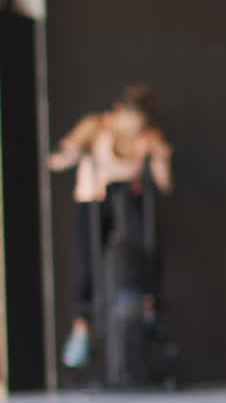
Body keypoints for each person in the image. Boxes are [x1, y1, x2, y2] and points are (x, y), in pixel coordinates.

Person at [48, 82, 173, 367]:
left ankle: (145, 312)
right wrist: (70, 154)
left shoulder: (149, 137)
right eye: (133, 116)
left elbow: (164, 184)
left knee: (146, 254)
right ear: (119, 110)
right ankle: (82, 330)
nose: (136, 124)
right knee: (89, 263)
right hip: (94, 202)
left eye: (142, 118)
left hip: (129, 204)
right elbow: (58, 160)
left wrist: (162, 159)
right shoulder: (95, 126)